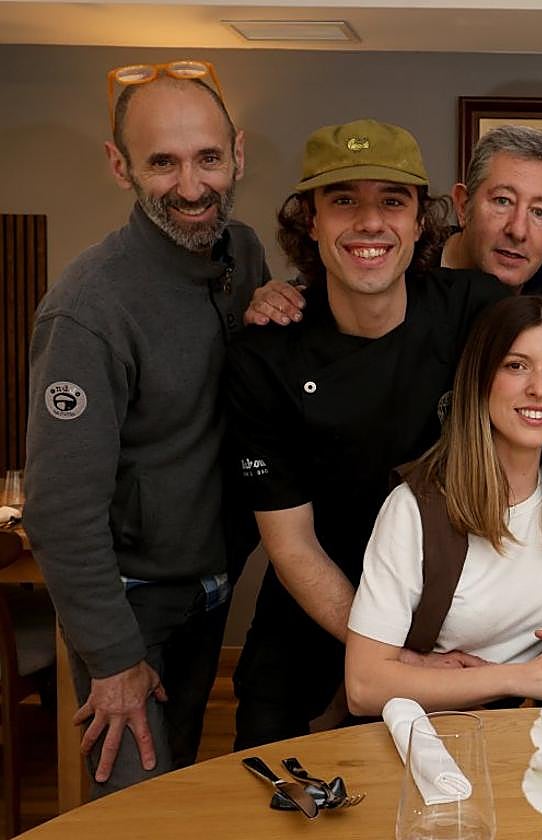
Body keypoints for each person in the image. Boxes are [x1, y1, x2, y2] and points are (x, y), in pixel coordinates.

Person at [23, 62, 268, 795]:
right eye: (163, 162)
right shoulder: (88, 310)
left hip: (209, 587)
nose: (191, 187)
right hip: (128, 604)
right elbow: (58, 508)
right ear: (119, 164)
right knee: (133, 808)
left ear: (238, 154)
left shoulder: (242, 252)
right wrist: (113, 658)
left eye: (208, 158)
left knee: (180, 785)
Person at [226, 119, 508, 748]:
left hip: (444, 613)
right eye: (344, 200)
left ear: (421, 221)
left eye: (393, 201)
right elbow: (292, 545)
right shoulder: (265, 355)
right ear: (311, 221)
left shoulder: (475, 310)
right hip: (316, 609)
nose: (370, 222)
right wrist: (391, 657)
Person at [345, 296, 542, 712]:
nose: (539, 389)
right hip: (441, 732)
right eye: (516, 366)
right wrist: (522, 677)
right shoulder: (413, 508)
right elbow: (363, 685)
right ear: (479, 378)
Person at [246, 124, 542, 325]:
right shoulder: (393, 264)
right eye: (502, 201)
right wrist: (275, 300)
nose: (517, 230)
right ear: (463, 205)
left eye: (539, 212)